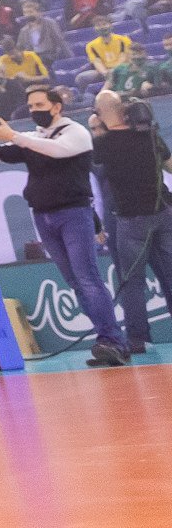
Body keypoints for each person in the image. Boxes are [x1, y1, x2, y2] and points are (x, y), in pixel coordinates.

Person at [0, 88, 128, 365]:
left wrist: (14, 136)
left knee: (87, 278)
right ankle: (107, 339)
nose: (34, 110)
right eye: (31, 106)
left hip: (73, 213)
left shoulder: (75, 133)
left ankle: (113, 340)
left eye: (39, 105)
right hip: (43, 215)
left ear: (57, 107)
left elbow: (58, 150)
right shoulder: (35, 137)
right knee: (75, 282)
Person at [91, 91, 172, 357]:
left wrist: (98, 129)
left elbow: (93, 167)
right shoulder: (149, 136)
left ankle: (137, 339)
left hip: (131, 220)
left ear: (100, 114)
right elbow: (169, 164)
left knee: (132, 282)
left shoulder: (103, 144)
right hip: (162, 213)